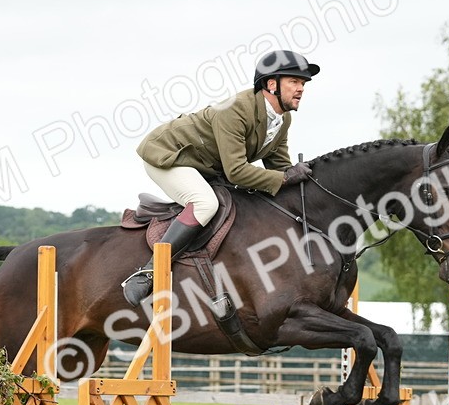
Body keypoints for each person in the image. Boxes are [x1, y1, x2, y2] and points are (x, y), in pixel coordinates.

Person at [122, 49, 319, 306]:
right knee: (206, 203)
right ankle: (148, 272)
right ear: (271, 84)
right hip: (168, 156)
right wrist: (284, 178)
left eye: (302, 83)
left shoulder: (283, 120)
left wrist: (299, 179)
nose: (301, 88)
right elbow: (237, 171)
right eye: (294, 81)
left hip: (204, 165)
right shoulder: (236, 109)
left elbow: (279, 166)